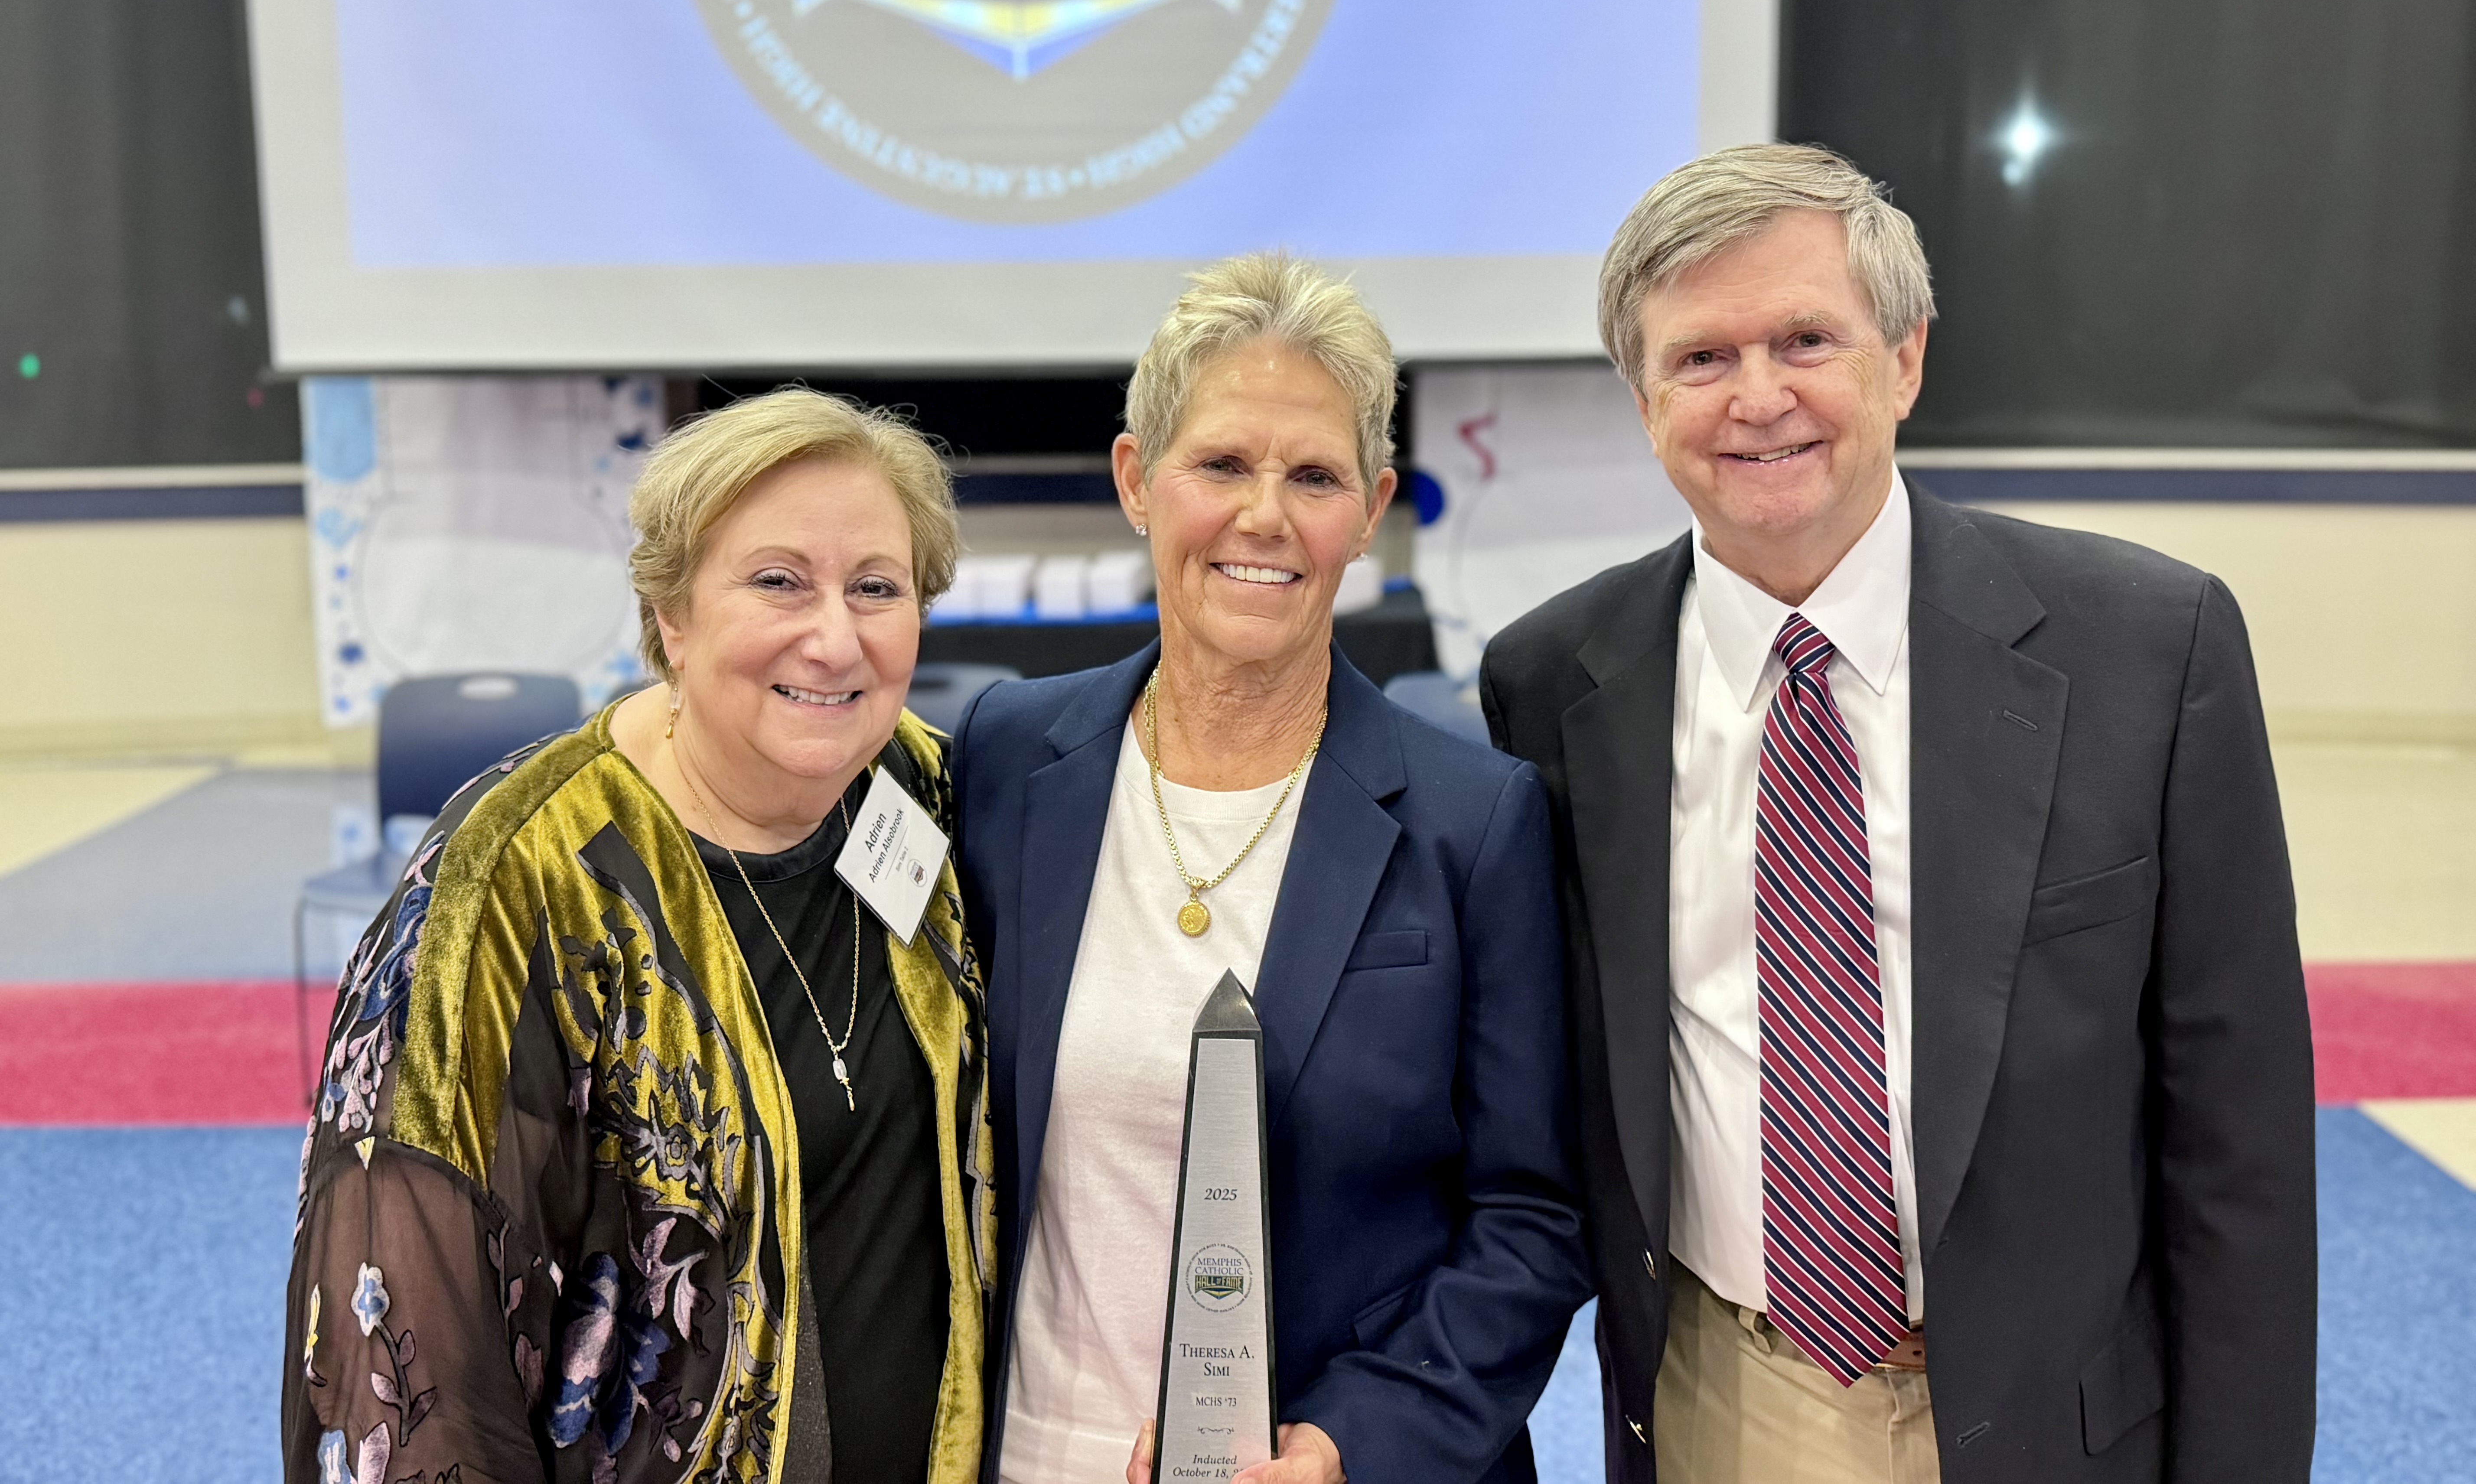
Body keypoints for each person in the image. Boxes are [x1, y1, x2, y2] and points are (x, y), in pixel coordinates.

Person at [1481, 144, 2316, 1484]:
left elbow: (2242, 1143)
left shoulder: (2150, 650)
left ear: (1906, 358)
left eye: (1806, 338)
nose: (1760, 396)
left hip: (2061, 1421)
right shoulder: (1553, 685)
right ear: (1643, 400)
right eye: (1701, 357)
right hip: (1722, 1401)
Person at [951, 253, 1592, 1484]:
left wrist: (1351, 1442)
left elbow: (1530, 1219)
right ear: (1136, 481)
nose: (1265, 517)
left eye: (1314, 477)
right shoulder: (1007, 759)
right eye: (1222, 466)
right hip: (1031, 1452)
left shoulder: (1474, 820)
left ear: (1372, 506)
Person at [283, 389, 996, 1484]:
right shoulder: (513, 887)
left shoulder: (928, 793)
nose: (835, 637)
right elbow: (408, 1357)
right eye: (777, 582)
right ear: (672, 616)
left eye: (876, 588)